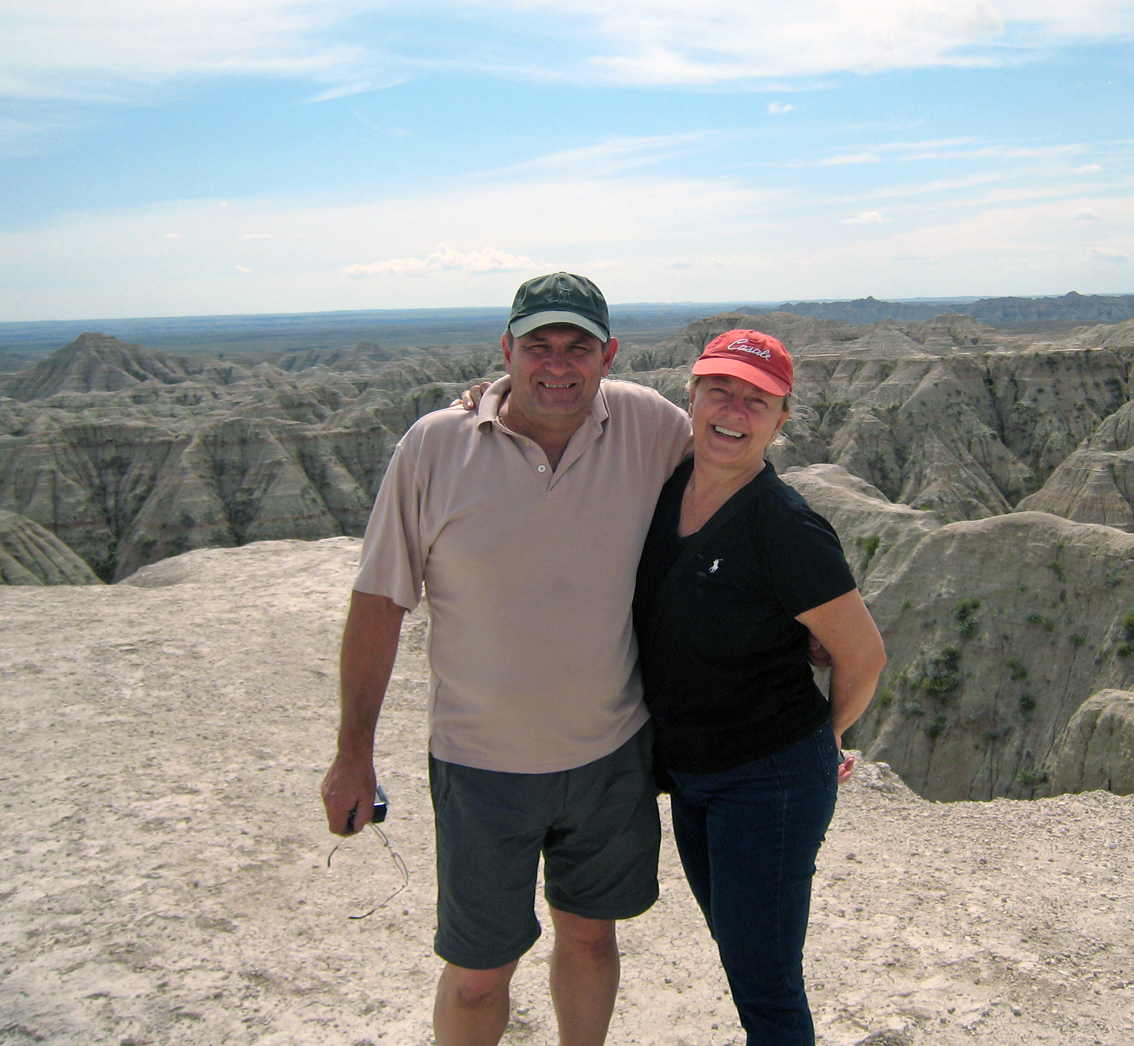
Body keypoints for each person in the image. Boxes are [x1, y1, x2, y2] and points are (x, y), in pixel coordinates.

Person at [320, 272, 693, 1046]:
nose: (557, 366)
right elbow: (379, 603)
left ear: (609, 356)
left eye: (578, 348)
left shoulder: (650, 427)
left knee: (591, 938)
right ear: (506, 351)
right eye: (538, 346)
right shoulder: (434, 446)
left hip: (612, 756)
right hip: (481, 766)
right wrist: (352, 754)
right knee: (479, 970)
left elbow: (737, 475)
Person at [631, 330, 887, 1046]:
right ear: (692, 396)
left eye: (757, 399)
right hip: (693, 776)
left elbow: (862, 657)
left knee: (767, 986)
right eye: (719, 389)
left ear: (781, 419)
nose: (733, 410)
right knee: (744, 961)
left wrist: (825, 739)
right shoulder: (666, 486)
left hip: (768, 780)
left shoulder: (786, 528)